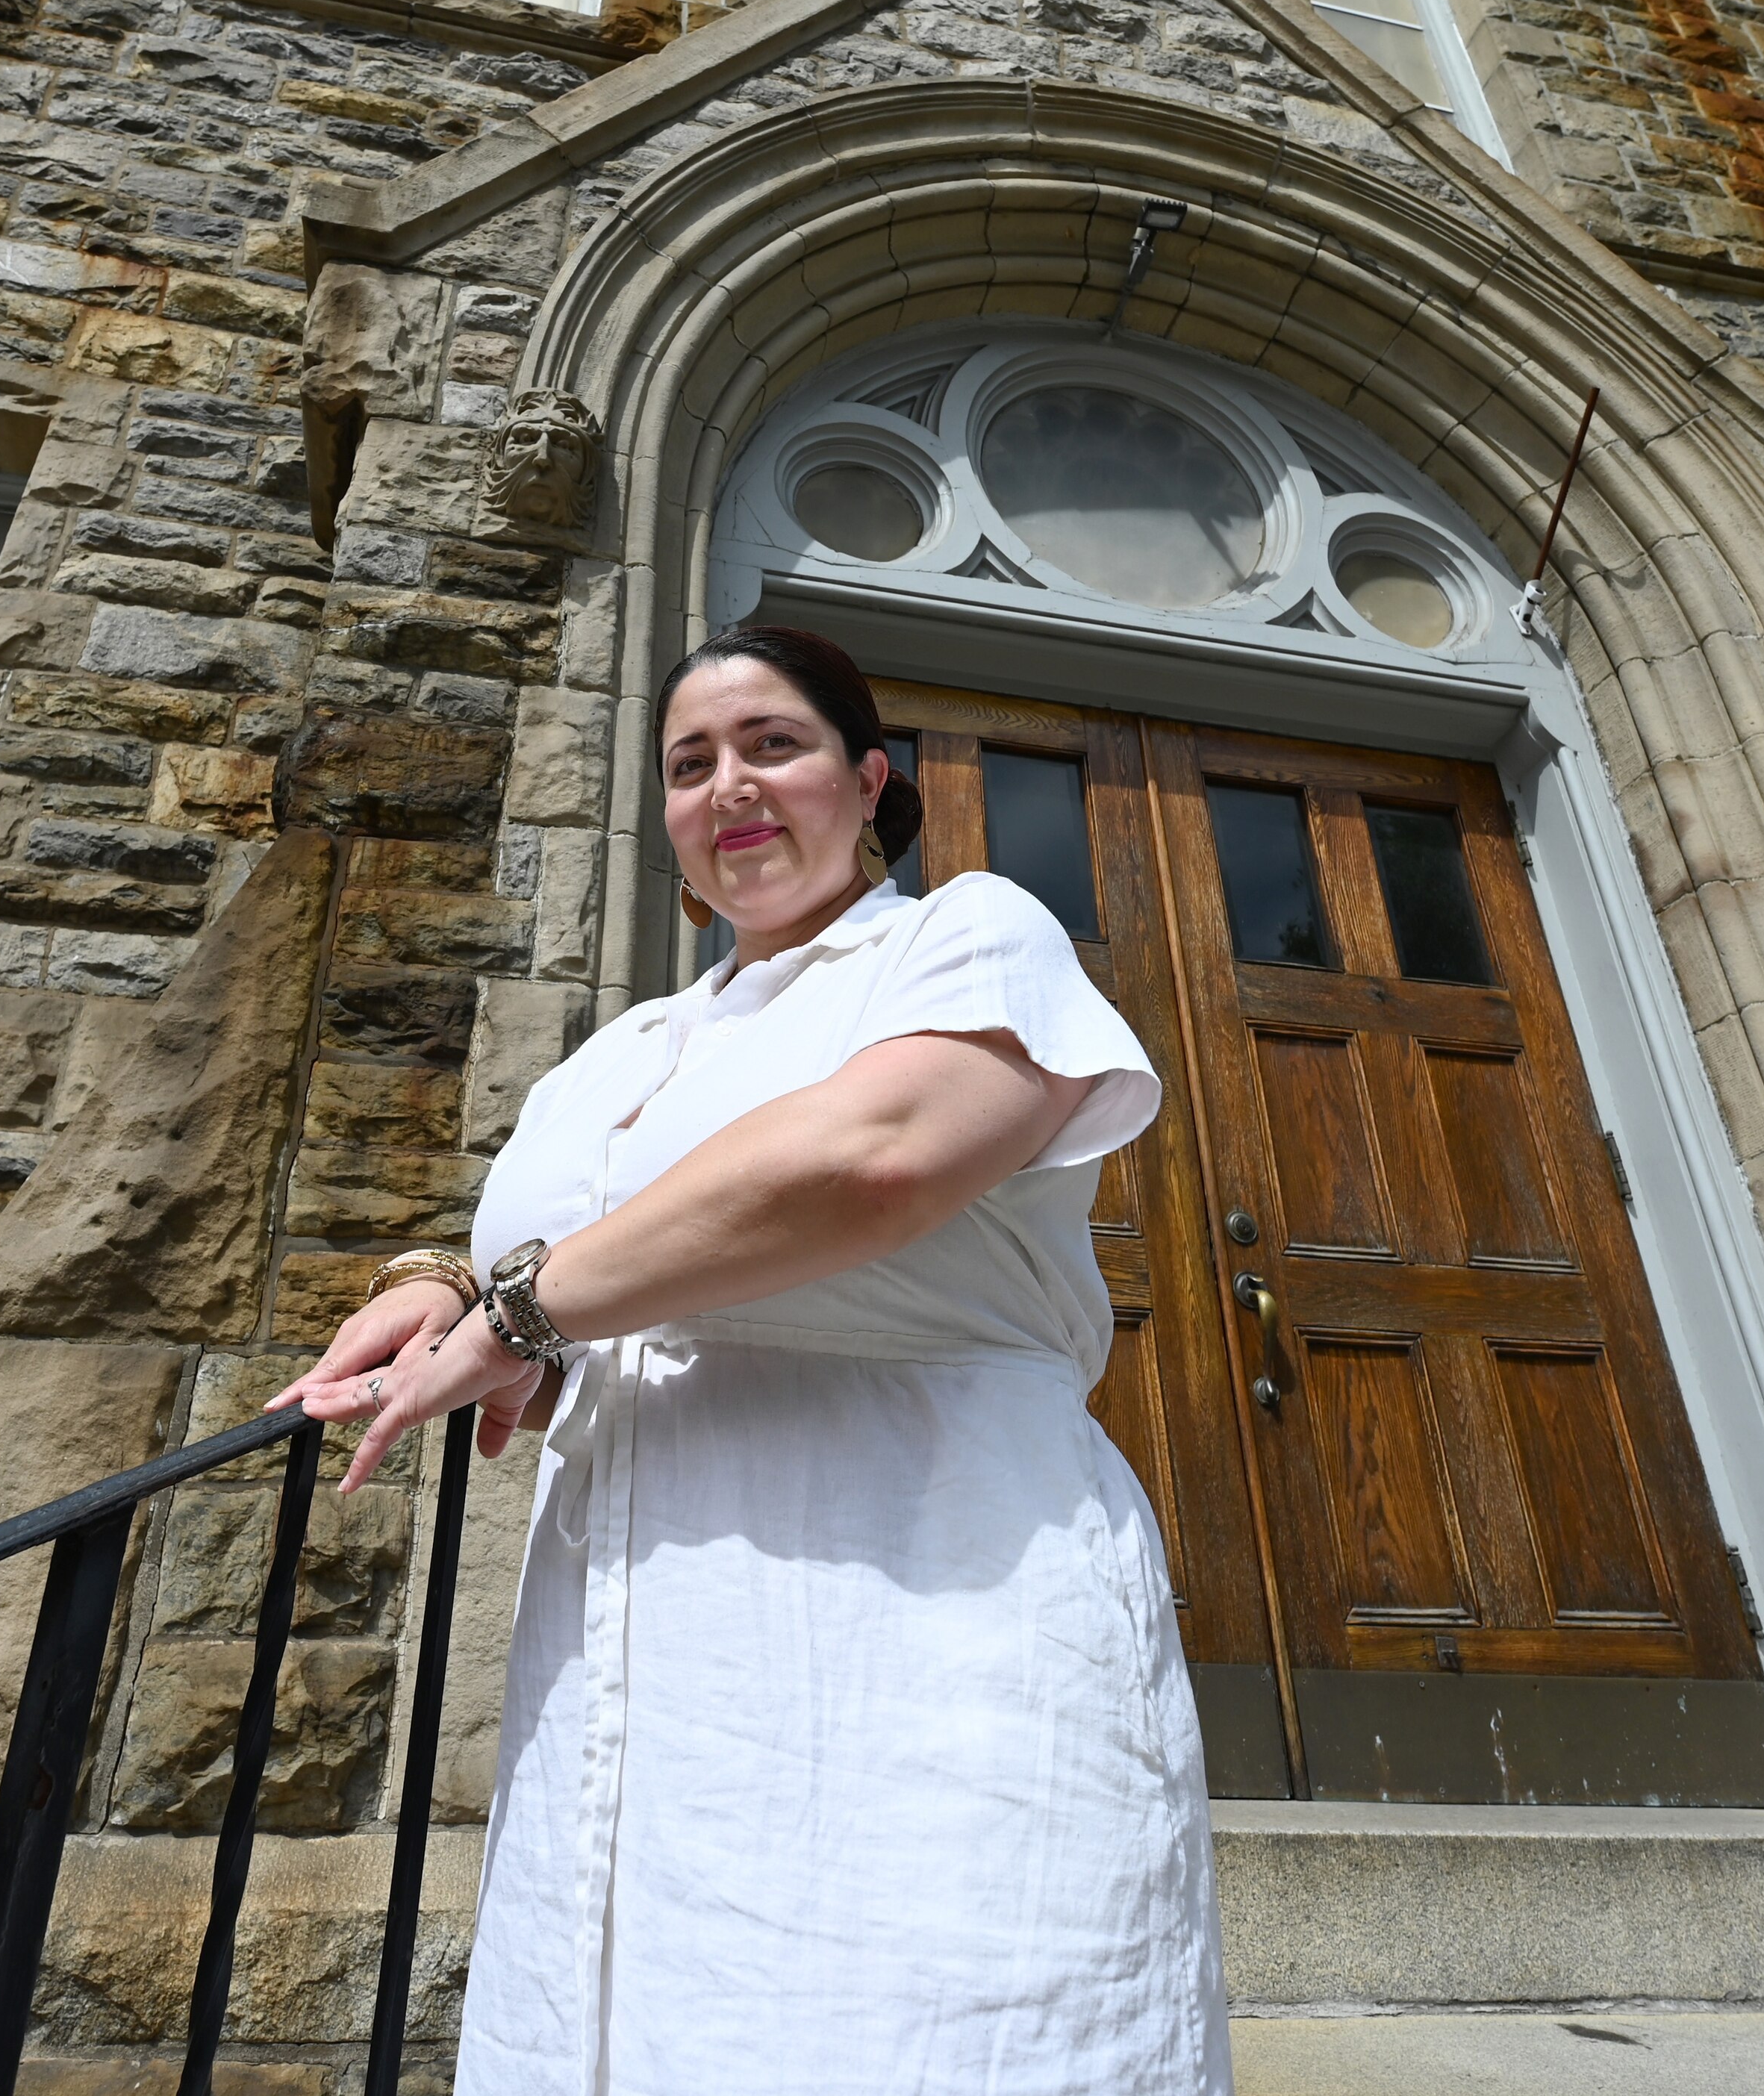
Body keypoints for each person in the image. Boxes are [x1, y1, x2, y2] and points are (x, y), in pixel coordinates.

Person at [273, 623, 1229, 2095]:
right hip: (635, 1655)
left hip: (923, 1599)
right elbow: (594, 1254)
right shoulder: (618, 1052)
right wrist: (442, 1285)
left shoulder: (961, 937)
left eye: (770, 743)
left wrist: (516, 1312)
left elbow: (869, 1157)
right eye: (688, 762)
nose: (729, 783)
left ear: (867, 779)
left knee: (936, 2034)